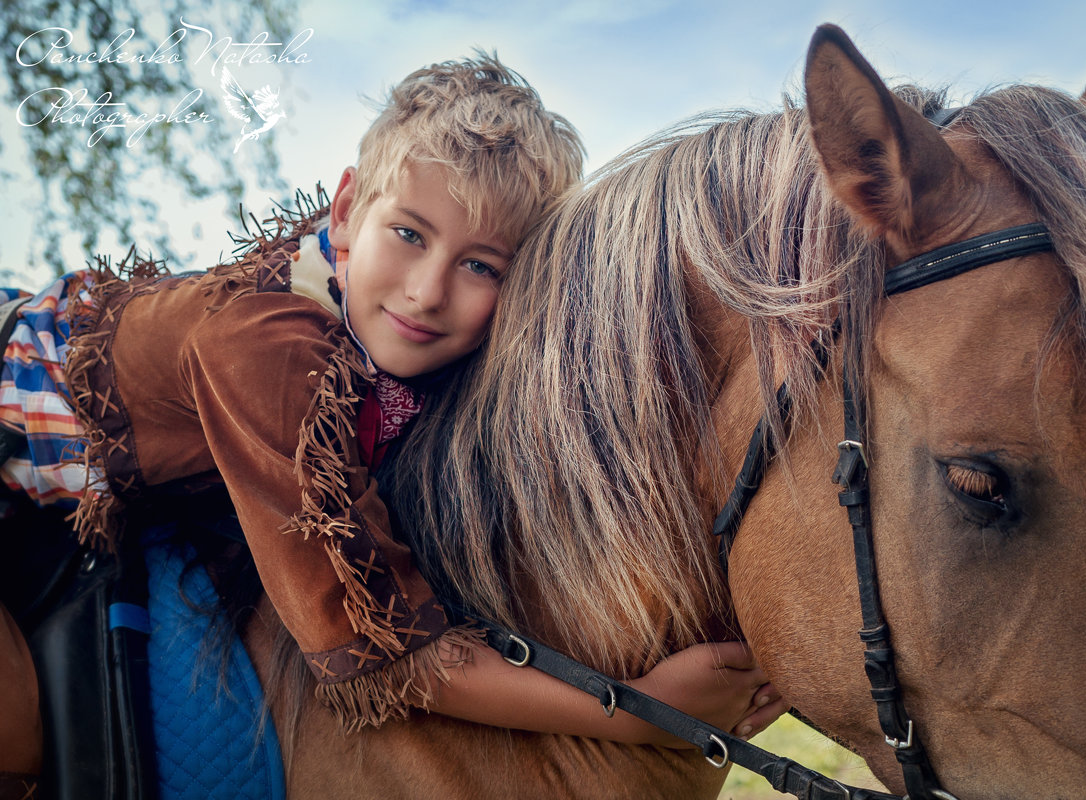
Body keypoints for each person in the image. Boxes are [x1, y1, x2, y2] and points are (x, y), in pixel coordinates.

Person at [0, 54, 784, 788]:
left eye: (482, 265)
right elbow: (371, 652)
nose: (426, 290)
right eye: (409, 234)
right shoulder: (265, 352)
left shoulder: (401, 332)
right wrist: (635, 712)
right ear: (347, 211)